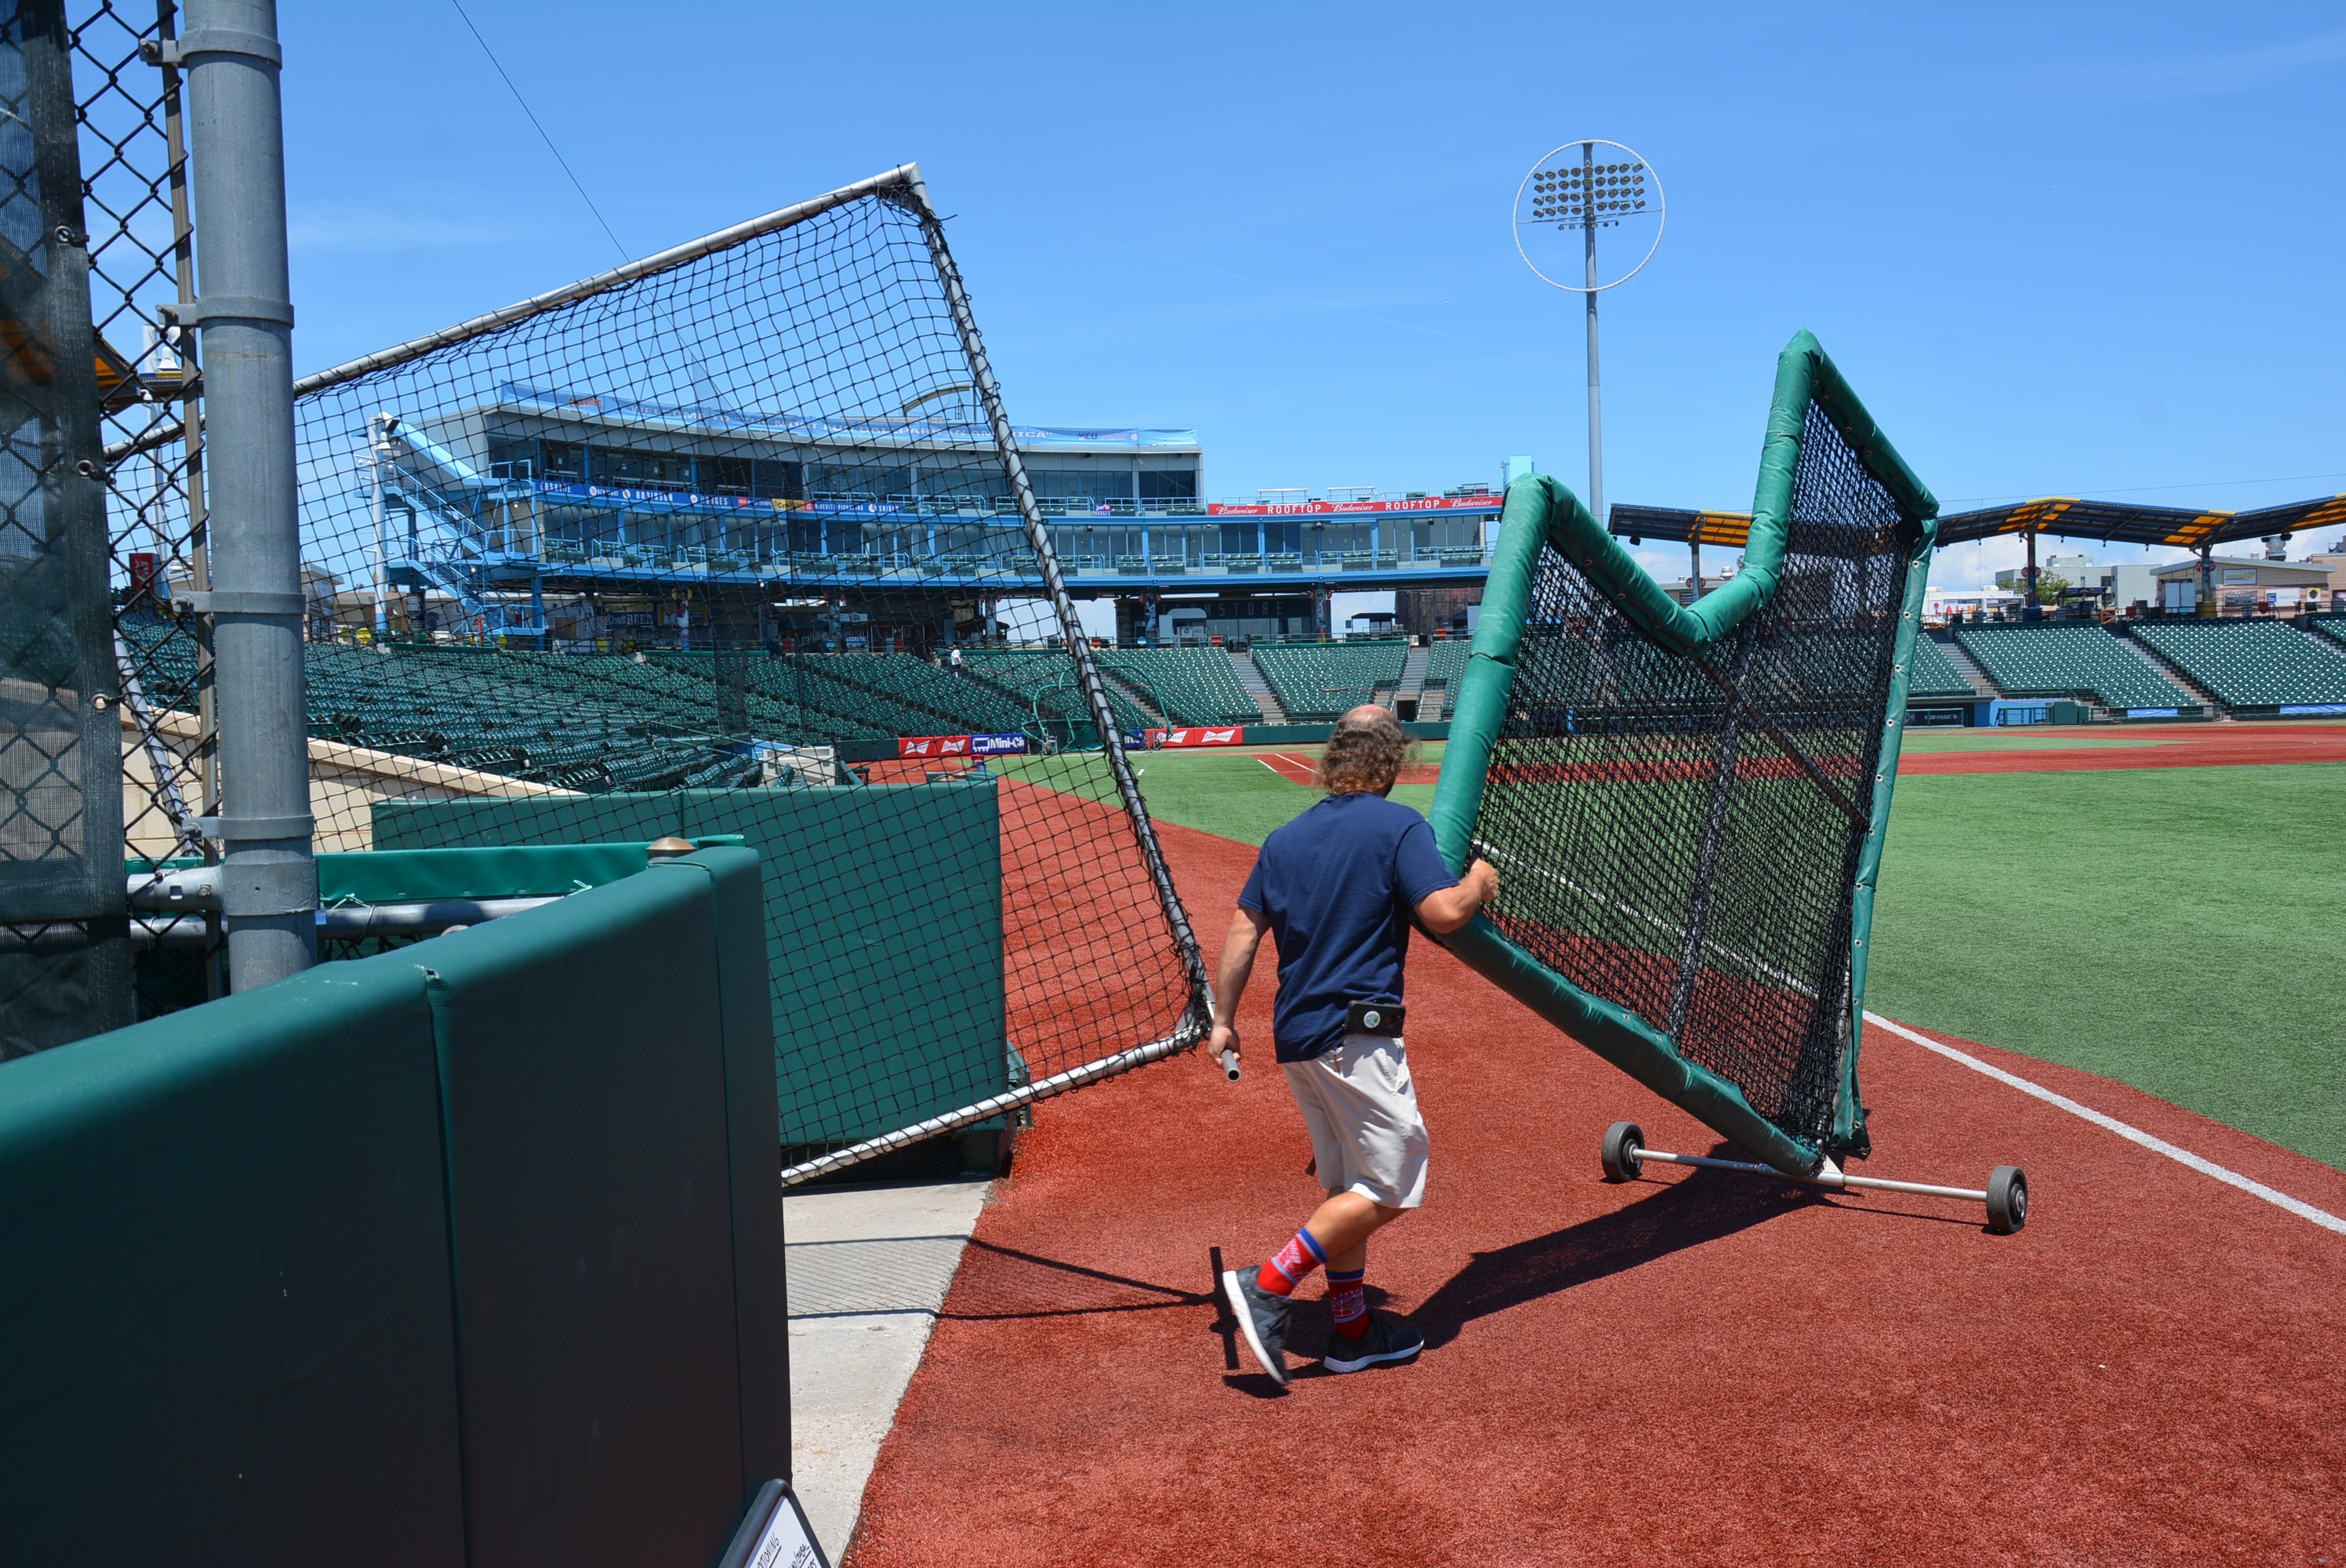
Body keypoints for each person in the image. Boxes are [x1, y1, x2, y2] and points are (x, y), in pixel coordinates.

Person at [1214, 704, 1498, 1385]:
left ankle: (1352, 1332)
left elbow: (1243, 932)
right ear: (1392, 764)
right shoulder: (1399, 823)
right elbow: (1443, 913)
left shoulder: (1283, 839)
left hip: (1297, 1038)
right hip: (1358, 1033)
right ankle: (1270, 1284)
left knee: (1348, 1186)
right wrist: (1480, 883)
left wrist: (1224, 1019)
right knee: (1396, 1182)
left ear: (1331, 760)